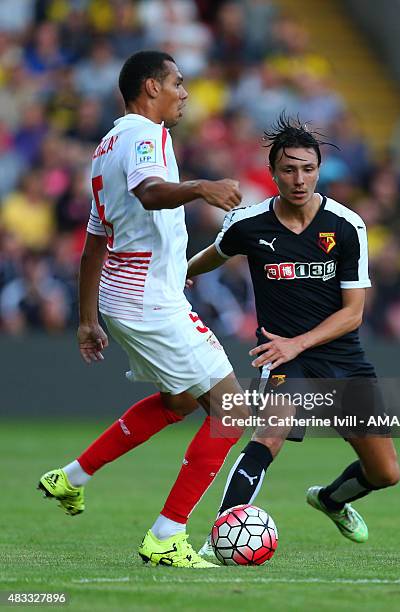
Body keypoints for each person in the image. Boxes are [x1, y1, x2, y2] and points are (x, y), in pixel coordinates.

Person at [38, 50, 248, 569]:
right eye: (178, 82)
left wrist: (88, 319)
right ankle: (166, 536)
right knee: (234, 410)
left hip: (123, 296)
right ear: (151, 87)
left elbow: (93, 243)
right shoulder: (142, 137)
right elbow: (151, 193)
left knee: (178, 403)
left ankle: (72, 477)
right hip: (148, 299)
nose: (185, 92)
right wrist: (202, 186)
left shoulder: (106, 146)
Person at [184, 114, 400, 558]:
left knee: (384, 473)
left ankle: (329, 500)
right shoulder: (248, 223)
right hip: (284, 359)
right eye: (288, 169)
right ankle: (218, 538)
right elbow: (215, 253)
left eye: (307, 168)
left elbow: (354, 314)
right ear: (273, 173)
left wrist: (297, 341)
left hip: (341, 356)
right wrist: (181, 275)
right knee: (268, 434)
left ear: (318, 170)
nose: (298, 178)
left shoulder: (346, 226)